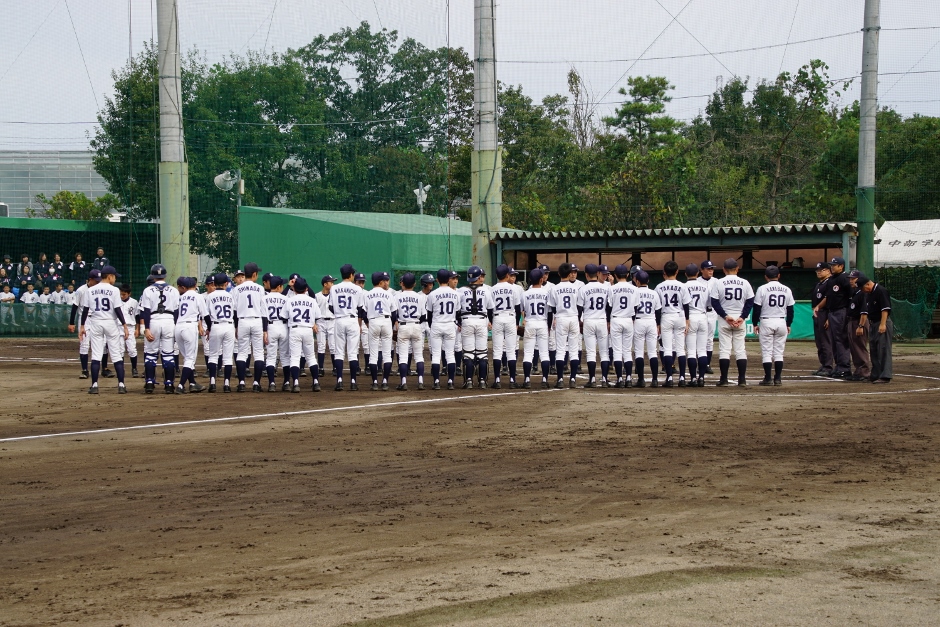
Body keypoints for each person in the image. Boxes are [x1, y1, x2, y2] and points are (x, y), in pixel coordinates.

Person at [80, 266, 129, 394]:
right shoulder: (114, 290)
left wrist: (82, 326)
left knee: (96, 355)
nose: (115, 278)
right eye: (114, 276)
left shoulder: (90, 290)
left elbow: (85, 310)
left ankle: (94, 385)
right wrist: (124, 325)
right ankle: (121, 385)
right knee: (116, 355)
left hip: (96, 322)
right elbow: (117, 309)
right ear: (109, 276)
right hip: (110, 322)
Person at [710, 258, 755, 386]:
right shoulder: (745, 282)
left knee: (725, 350)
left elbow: (714, 302)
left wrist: (725, 316)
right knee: (740, 350)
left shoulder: (719, 282)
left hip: (725, 319)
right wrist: (743, 317)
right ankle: (742, 379)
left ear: (724, 269)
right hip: (739, 319)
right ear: (737, 269)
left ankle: (724, 379)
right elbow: (750, 301)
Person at [140, 263, 180, 394]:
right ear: (165, 275)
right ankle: (169, 385)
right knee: (168, 354)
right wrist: (175, 326)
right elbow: (176, 312)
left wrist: (146, 328)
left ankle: (149, 383)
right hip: (169, 321)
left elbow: (145, 311)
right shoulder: (174, 290)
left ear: (152, 276)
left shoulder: (147, 290)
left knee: (150, 354)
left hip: (154, 320)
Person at [752, 266, 795, 386]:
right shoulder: (786, 289)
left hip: (766, 321)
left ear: (766, 277)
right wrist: (788, 324)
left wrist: (755, 323)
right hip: (781, 321)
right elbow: (790, 309)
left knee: (767, 352)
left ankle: (768, 378)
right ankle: (778, 378)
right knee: (778, 352)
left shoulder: (762, 289)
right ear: (779, 275)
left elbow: (757, 308)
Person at [231, 262, 267, 392]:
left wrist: (236, 327)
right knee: (258, 353)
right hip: (257, 321)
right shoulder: (260, 288)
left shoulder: (236, 289)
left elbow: (234, 310)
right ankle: (256, 383)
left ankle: (241, 383)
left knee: (242, 352)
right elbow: (264, 311)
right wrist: (265, 329)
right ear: (254, 274)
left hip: (242, 321)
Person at [329, 264, 366, 391]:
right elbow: (360, 309)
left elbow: (330, 307)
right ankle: (353, 382)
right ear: (350, 275)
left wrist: (339, 313)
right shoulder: (358, 289)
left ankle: (339, 380)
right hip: (352, 320)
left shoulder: (334, 288)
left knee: (339, 352)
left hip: (339, 320)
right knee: (352, 353)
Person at [654, 261, 691, 387]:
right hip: (679, 316)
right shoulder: (682, 286)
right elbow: (686, 305)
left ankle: (669, 378)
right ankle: (682, 378)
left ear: (664, 272)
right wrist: (687, 320)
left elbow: (657, 308)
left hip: (666, 316)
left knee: (667, 349)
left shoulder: (659, 287)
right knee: (680, 349)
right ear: (677, 271)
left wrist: (658, 323)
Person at [457, 265, 494, 389]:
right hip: (481, 321)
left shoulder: (460, 290)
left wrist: (459, 322)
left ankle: (468, 381)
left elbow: (457, 310)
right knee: (482, 353)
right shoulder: (486, 290)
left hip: (466, 321)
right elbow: (490, 309)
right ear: (478, 277)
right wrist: (491, 321)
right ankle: (482, 381)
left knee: (468, 354)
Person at [285, 277, 322, 392]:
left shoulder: (290, 300)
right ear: (306, 289)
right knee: (311, 357)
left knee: (295, 357)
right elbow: (318, 316)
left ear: (294, 289)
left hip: (295, 330)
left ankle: (296, 383)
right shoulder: (312, 300)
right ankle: (316, 382)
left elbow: (284, 316)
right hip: (308, 330)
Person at [425, 269, 460, 390]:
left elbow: (429, 314)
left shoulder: (432, 294)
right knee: (450, 354)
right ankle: (450, 381)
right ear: (449, 279)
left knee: (436, 355)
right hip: (450, 324)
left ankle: (436, 382)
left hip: (437, 324)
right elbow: (458, 312)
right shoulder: (455, 293)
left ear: (437, 280)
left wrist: (431, 326)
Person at [577, 263, 611, 387]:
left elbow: (579, 309)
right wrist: (608, 321)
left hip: (589, 321)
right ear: (597, 274)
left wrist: (578, 321)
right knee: (604, 352)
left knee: (591, 352)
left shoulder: (583, 289)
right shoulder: (606, 288)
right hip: (602, 320)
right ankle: (604, 379)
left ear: (586, 275)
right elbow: (609, 307)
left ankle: (592, 380)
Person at [549, 263, 582, 388]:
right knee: (574, 350)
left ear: (559, 274)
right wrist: (577, 318)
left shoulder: (554, 288)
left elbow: (553, 308)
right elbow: (580, 307)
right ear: (569, 274)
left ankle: (560, 379)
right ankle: (573, 379)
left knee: (560, 350)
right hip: (573, 318)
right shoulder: (576, 288)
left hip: (561, 318)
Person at [393, 272, 428, 391]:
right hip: (416, 325)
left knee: (403, 356)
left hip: (403, 326)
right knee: (419, 356)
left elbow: (394, 314)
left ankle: (403, 382)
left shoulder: (397, 296)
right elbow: (423, 316)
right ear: (414, 284)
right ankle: (421, 382)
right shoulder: (419, 297)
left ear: (402, 283)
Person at [490, 264, 521, 389]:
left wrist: (491, 321)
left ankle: (497, 380)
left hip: (497, 318)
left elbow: (489, 309)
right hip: (510, 318)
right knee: (511, 351)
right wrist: (517, 323)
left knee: (497, 351)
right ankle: (512, 380)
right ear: (507, 275)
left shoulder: (492, 289)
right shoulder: (514, 288)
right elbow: (518, 309)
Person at [520, 267, 552, 388]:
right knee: (544, 353)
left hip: (530, 323)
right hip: (542, 323)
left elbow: (522, 310)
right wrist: (548, 327)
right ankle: (544, 380)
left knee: (528, 353)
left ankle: (527, 380)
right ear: (541, 279)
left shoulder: (525, 294)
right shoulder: (547, 293)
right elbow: (550, 313)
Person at [174, 277, 207, 394]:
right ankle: (180, 385)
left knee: (187, 357)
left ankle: (192, 383)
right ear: (195, 285)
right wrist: (210, 328)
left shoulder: (180, 297)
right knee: (190, 359)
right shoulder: (198, 296)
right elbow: (205, 315)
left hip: (178, 327)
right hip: (189, 327)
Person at [858, 275, 893, 384]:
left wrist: (883, 324)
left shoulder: (880, 291)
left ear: (868, 284)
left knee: (883, 349)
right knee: (874, 350)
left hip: (881, 322)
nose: (862, 291)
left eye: (862, 288)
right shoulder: (869, 294)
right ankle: (875, 374)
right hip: (873, 324)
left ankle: (885, 376)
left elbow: (885, 309)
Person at [364, 271, 396, 391]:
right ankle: (385, 382)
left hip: (373, 321)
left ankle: (375, 383)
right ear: (381, 282)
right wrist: (391, 325)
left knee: (373, 355)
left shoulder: (367, 294)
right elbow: (394, 313)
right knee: (387, 355)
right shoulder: (388, 294)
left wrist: (368, 323)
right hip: (386, 321)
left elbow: (363, 312)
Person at [204, 273, 236, 392]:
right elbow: (235, 313)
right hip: (229, 326)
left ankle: (212, 383)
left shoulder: (210, 296)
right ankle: (226, 384)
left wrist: (209, 328)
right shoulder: (230, 296)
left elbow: (206, 315)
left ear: (214, 284)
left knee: (213, 356)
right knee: (227, 357)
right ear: (226, 283)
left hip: (216, 326)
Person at [609, 264, 637, 387]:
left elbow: (609, 306)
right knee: (627, 351)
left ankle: (620, 379)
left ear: (615, 275)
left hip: (616, 319)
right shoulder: (634, 289)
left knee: (617, 351)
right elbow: (636, 307)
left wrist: (608, 322)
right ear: (627, 275)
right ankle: (629, 378)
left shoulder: (612, 288)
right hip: (628, 319)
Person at [632, 270, 661, 387]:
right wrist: (658, 324)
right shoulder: (654, 293)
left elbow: (633, 309)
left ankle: (641, 380)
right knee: (653, 352)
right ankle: (655, 380)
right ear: (648, 280)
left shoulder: (634, 292)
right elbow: (658, 311)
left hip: (638, 321)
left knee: (639, 352)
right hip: (651, 321)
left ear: (637, 281)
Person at [69, 270, 100, 378]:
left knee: (100, 344)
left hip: (97, 318)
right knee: (84, 344)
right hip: (84, 320)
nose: (98, 282)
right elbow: (74, 306)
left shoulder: (99, 289)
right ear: (90, 279)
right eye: (96, 280)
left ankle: (103, 369)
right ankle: (85, 370)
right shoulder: (81, 290)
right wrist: (71, 323)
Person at [263, 276, 290, 392]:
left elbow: (263, 316)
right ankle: (287, 382)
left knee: (270, 357)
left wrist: (264, 331)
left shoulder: (264, 298)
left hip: (270, 327)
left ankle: (272, 383)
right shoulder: (286, 298)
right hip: (283, 327)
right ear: (279, 287)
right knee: (285, 356)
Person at [846, 269, 872, 382]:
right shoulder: (855, 292)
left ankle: (864, 372)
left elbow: (864, 312)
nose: (851, 281)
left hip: (859, 322)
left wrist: (860, 326)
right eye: (850, 279)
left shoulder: (862, 293)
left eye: (853, 278)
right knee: (854, 347)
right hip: (852, 321)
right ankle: (858, 371)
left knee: (860, 346)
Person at [810, 262, 834, 376]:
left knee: (825, 341)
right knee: (819, 342)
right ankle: (823, 364)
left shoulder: (830, 282)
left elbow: (830, 300)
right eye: (817, 270)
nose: (819, 272)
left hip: (825, 313)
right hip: (818, 314)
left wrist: (829, 318)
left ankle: (828, 366)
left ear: (829, 271)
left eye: (822, 270)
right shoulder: (819, 284)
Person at [697, 260, 719, 374]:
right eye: (708, 269)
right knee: (699, 340)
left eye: (712, 269)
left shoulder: (717, 281)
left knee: (710, 340)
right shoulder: (697, 281)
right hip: (700, 312)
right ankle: (699, 364)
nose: (711, 271)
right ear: (702, 270)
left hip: (712, 312)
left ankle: (707, 364)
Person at [315, 275, 337, 377]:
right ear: (325, 284)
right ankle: (321, 368)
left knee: (333, 346)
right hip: (320, 321)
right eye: (331, 282)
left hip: (332, 321)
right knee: (321, 345)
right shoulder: (317, 296)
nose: (333, 284)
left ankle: (335, 368)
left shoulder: (335, 295)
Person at [119, 283, 141, 377]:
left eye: (124, 294)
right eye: (121, 294)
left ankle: (134, 368)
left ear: (129, 294)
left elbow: (137, 316)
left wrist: (137, 328)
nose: (122, 296)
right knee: (120, 349)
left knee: (132, 349)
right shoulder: (117, 301)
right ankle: (121, 369)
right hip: (119, 327)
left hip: (130, 326)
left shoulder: (134, 302)